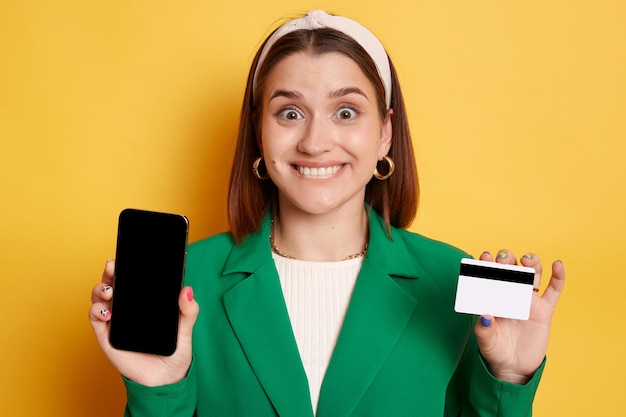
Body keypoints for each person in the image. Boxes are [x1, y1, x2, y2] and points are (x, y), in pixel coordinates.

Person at [89, 10, 565, 417]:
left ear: (385, 133)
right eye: (289, 113)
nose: (315, 142)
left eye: (346, 112)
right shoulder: (183, 283)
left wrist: (509, 378)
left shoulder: (456, 283)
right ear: (258, 133)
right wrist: (159, 388)